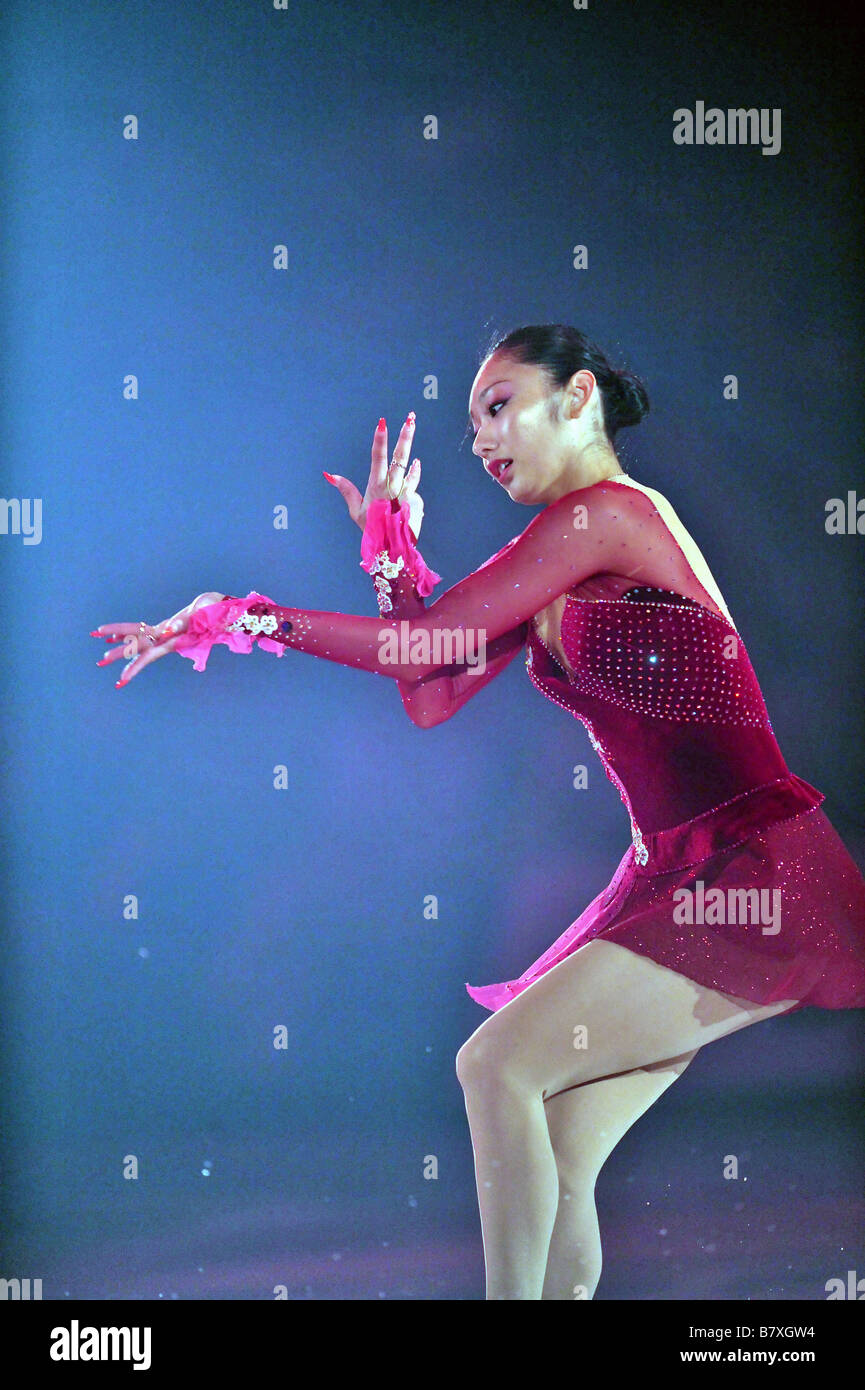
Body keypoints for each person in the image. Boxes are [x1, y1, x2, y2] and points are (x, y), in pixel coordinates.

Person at [90, 323, 865, 1301]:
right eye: (469, 425)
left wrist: (246, 617)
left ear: (576, 397)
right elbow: (431, 691)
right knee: (563, 1144)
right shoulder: (555, 551)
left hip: (752, 873)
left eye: (499, 406)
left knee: (494, 1065)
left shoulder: (607, 518)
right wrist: (390, 550)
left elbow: (423, 653)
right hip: (684, 877)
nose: (482, 440)